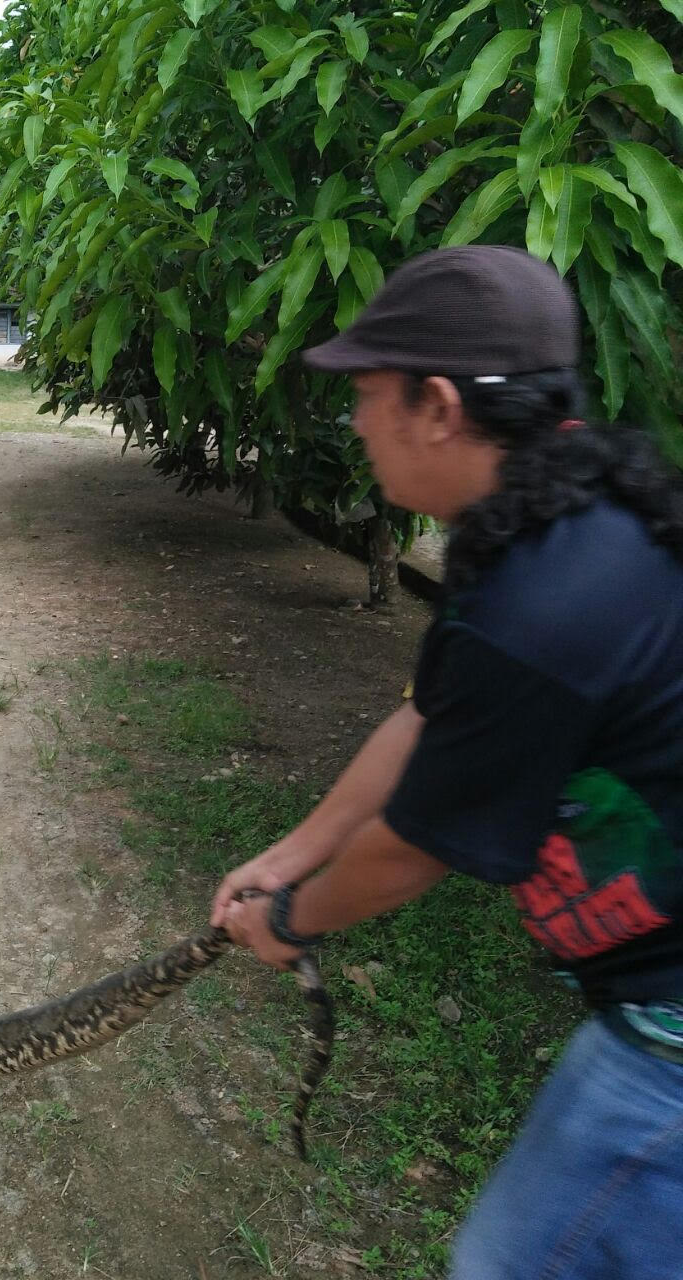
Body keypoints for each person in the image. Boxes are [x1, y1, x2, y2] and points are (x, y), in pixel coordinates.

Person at [211, 245, 683, 1278]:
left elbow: (410, 849)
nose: (354, 422)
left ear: (436, 406)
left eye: (367, 395)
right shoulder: (544, 519)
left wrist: (288, 922)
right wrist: (287, 855)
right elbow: (425, 718)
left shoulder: (543, 602)